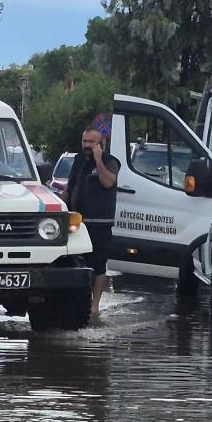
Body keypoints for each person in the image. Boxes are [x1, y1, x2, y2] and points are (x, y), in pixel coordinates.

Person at [63, 116, 120, 322]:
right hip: (77, 223)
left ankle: (94, 306)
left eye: (91, 142)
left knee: (98, 265)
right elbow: (70, 186)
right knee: (75, 263)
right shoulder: (78, 161)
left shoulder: (110, 161)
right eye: (84, 141)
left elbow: (108, 182)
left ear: (100, 143)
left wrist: (98, 160)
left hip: (99, 223)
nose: (87, 145)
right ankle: (77, 302)